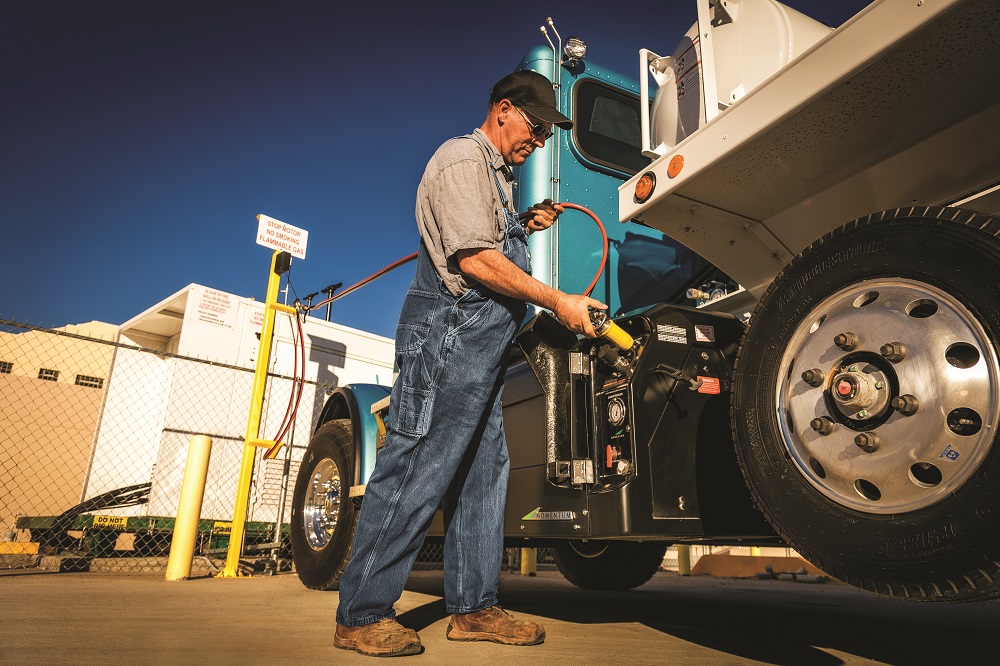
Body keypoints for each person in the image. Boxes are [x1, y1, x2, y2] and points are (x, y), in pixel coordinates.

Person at [334, 69, 605, 657]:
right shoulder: (461, 160)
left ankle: (474, 608)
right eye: (535, 127)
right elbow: (475, 260)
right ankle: (361, 612)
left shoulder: (497, 178)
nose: (539, 140)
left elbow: (490, 236)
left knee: (485, 480)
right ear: (502, 109)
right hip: (446, 338)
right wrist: (559, 301)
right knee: (415, 467)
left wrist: (523, 222)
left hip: (479, 352)